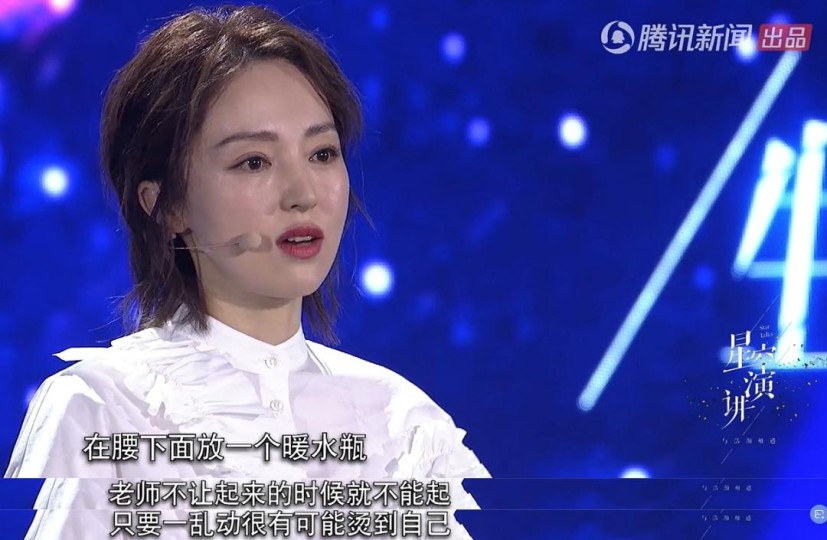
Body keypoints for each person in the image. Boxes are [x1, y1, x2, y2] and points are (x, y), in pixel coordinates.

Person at [5, 4, 488, 538]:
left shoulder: (398, 421)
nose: (303, 194)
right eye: (253, 162)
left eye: (322, 154)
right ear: (165, 205)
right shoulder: (104, 407)